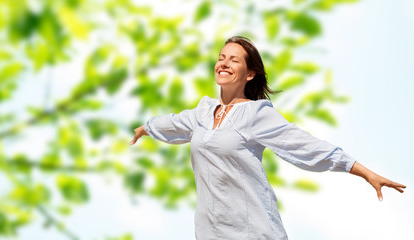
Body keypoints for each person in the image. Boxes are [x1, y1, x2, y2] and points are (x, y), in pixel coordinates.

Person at [129, 36, 406, 239]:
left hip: (253, 231)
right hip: (209, 231)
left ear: (249, 74)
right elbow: (173, 123)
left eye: (233, 60)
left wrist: (364, 172)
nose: (224, 63)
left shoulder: (256, 114)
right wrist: (145, 128)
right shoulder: (202, 112)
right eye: (221, 58)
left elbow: (304, 145)